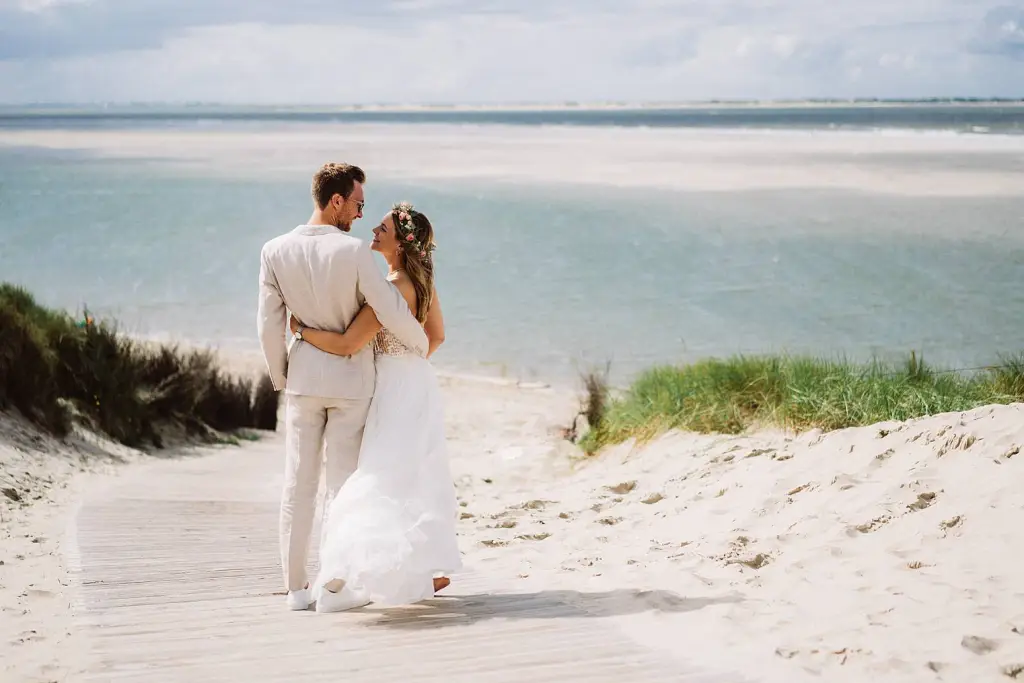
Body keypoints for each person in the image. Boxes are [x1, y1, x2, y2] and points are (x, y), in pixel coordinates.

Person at [257, 164, 429, 612]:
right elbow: (388, 307)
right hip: (351, 384)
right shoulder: (353, 252)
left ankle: (296, 591)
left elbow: (268, 325)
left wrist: (282, 376)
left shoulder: (274, 250)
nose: (359, 214)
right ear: (336, 200)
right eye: (357, 204)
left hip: (303, 381)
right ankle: (333, 588)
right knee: (342, 488)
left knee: (297, 485)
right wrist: (419, 344)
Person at [290, 202, 462, 611]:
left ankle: (335, 583)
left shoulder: (392, 288)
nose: (374, 231)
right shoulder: (422, 282)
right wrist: (407, 361)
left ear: (401, 242)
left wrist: (302, 331)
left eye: (383, 228)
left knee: (376, 478)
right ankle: (415, 571)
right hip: (418, 384)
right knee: (412, 477)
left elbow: (348, 343)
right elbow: (436, 337)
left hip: (393, 389)